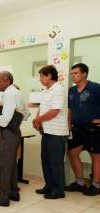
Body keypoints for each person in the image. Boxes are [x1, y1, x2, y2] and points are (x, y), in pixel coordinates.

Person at [0, 71, 27, 207]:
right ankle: (13, 192)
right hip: (15, 132)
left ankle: (3, 197)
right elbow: (26, 113)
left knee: (3, 165)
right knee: (11, 164)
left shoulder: (9, 93)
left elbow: (6, 116)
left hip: (8, 132)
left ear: (7, 81)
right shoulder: (16, 92)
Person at [33, 65, 68, 199]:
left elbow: (55, 111)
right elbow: (43, 108)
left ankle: (58, 190)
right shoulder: (46, 90)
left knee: (55, 162)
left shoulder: (58, 89)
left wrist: (38, 120)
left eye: (41, 76)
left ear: (49, 76)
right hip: (47, 131)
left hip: (56, 133)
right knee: (46, 160)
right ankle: (49, 186)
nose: (40, 79)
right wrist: (38, 120)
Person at [66, 63, 100, 196]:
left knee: (96, 157)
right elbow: (69, 109)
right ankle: (79, 182)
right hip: (76, 128)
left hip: (93, 128)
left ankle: (96, 184)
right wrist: (68, 125)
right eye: (72, 74)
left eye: (76, 73)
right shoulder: (71, 91)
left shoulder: (95, 88)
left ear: (84, 74)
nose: (73, 76)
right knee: (72, 153)